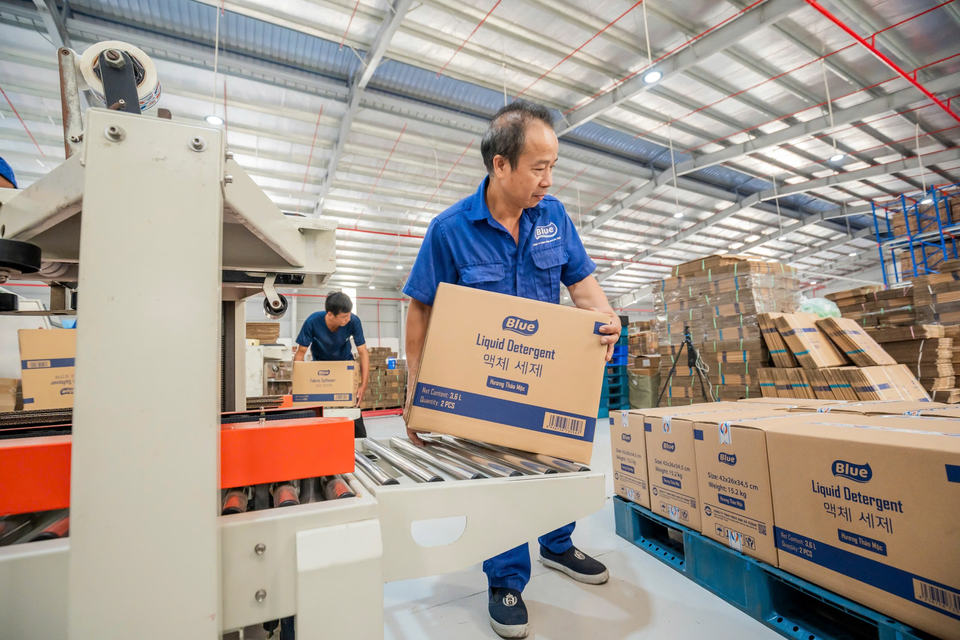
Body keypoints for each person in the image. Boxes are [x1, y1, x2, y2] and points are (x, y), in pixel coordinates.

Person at [401, 100, 622, 639]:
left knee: (558, 462)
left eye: (553, 167)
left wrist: (606, 316)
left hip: (547, 375)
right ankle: (505, 579)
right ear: (500, 164)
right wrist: (416, 389)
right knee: (499, 479)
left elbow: (583, 284)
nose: (549, 180)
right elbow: (421, 309)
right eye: (539, 167)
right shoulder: (450, 230)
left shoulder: (554, 218)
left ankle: (558, 544)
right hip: (487, 384)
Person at [295, 291, 370, 437]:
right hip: (320, 370)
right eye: (344, 316)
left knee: (354, 416)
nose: (348, 319)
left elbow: (363, 352)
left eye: (349, 314)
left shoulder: (353, 321)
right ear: (330, 314)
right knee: (321, 416)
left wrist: (363, 385)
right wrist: (298, 383)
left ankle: (359, 443)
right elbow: (300, 353)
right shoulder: (312, 321)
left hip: (344, 369)